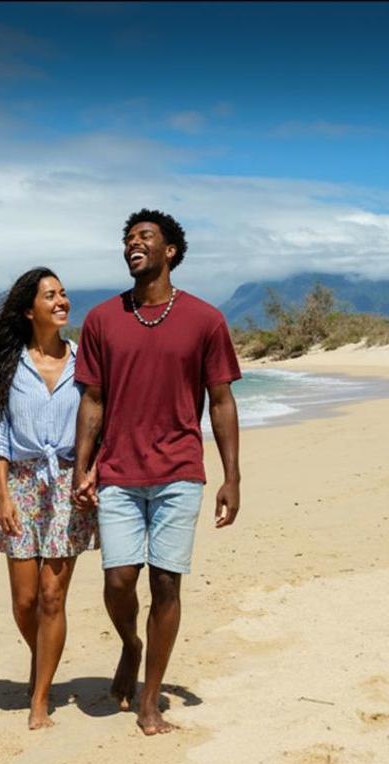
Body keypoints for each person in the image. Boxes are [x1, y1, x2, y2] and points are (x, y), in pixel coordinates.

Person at [72, 209, 242, 736]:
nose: (132, 244)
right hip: (119, 471)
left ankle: (150, 699)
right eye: (127, 239)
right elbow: (93, 400)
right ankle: (130, 644)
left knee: (167, 585)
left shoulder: (205, 319)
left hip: (179, 471)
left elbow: (220, 400)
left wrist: (231, 476)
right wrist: (83, 467)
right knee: (119, 580)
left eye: (144, 237)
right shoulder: (102, 319)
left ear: (171, 251)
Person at [0, 267, 97, 730]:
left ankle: (40, 697)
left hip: (68, 483)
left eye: (63, 293)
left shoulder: (87, 362)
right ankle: (43, 659)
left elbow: (100, 423)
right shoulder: (7, 366)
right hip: (19, 486)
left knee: (51, 596)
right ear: (29, 309)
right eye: (50, 295)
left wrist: (92, 472)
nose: (62, 300)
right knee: (24, 602)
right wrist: (2, 495)